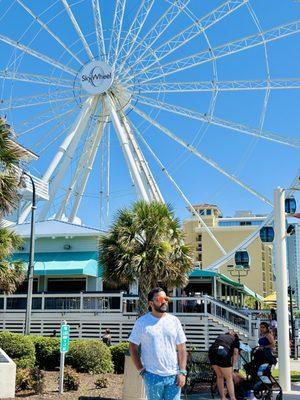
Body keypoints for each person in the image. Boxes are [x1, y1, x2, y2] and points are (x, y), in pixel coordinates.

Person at [129, 287, 187, 400]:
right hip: (152, 376)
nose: (164, 301)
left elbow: (182, 348)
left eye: (166, 298)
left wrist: (182, 372)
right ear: (151, 303)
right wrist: (141, 370)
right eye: (160, 299)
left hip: (174, 376)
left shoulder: (174, 321)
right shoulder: (142, 322)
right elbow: (132, 347)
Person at [208, 331, 240, 400]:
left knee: (219, 376)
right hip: (222, 352)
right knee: (229, 378)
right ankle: (233, 398)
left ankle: (223, 397)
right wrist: (233, 367)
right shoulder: (235, 339)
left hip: (211, 352)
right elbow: (235, 353)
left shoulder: (221, 335)